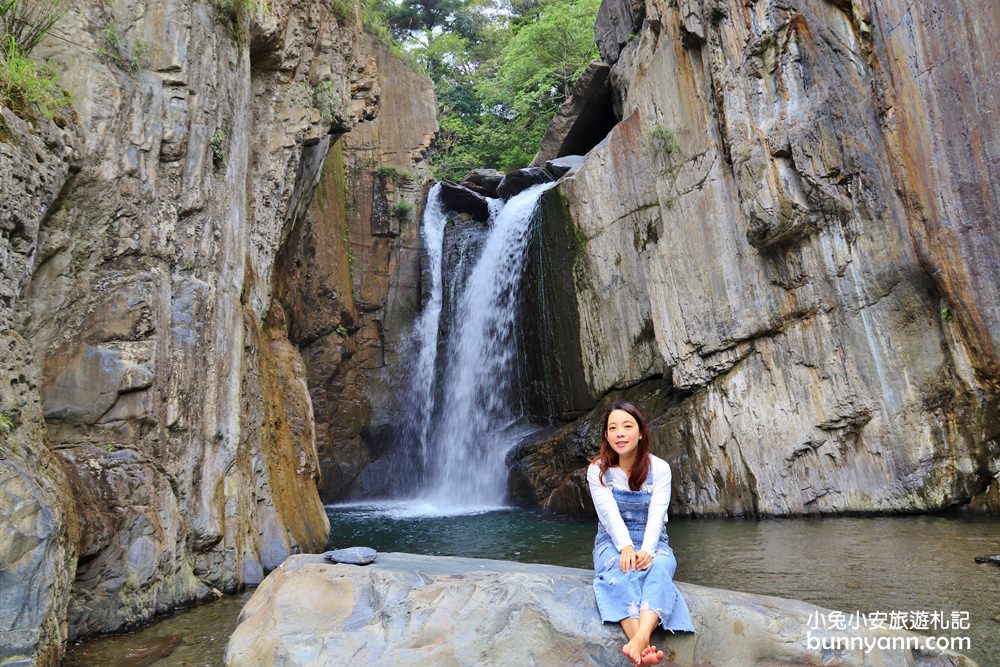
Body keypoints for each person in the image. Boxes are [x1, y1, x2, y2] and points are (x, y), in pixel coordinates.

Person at [588, 402, 695, 666]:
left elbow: (658, 514)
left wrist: (646, 549)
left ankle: (639, 640)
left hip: (653, 540)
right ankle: (643, 647)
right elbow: (609, 515)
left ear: (640, 433)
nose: (620, 434)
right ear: (606, 436)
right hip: (612, 542)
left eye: (627, 426)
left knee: (658, 568)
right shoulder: (598, 471)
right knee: (620, 571)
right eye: (612, 428)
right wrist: (625, 547)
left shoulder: (659, 469)